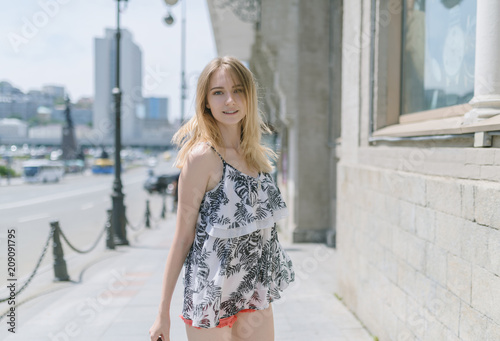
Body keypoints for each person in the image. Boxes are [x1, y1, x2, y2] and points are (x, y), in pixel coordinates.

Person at [149, 56, 294, 341]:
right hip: (210, 297)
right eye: (218, 92)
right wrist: (162, 313)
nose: (230, 100)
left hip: (254, 293)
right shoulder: (202, 157)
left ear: (249, 97)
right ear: (206, 101)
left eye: (238, 90)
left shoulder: (257, 158)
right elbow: (182, 238)